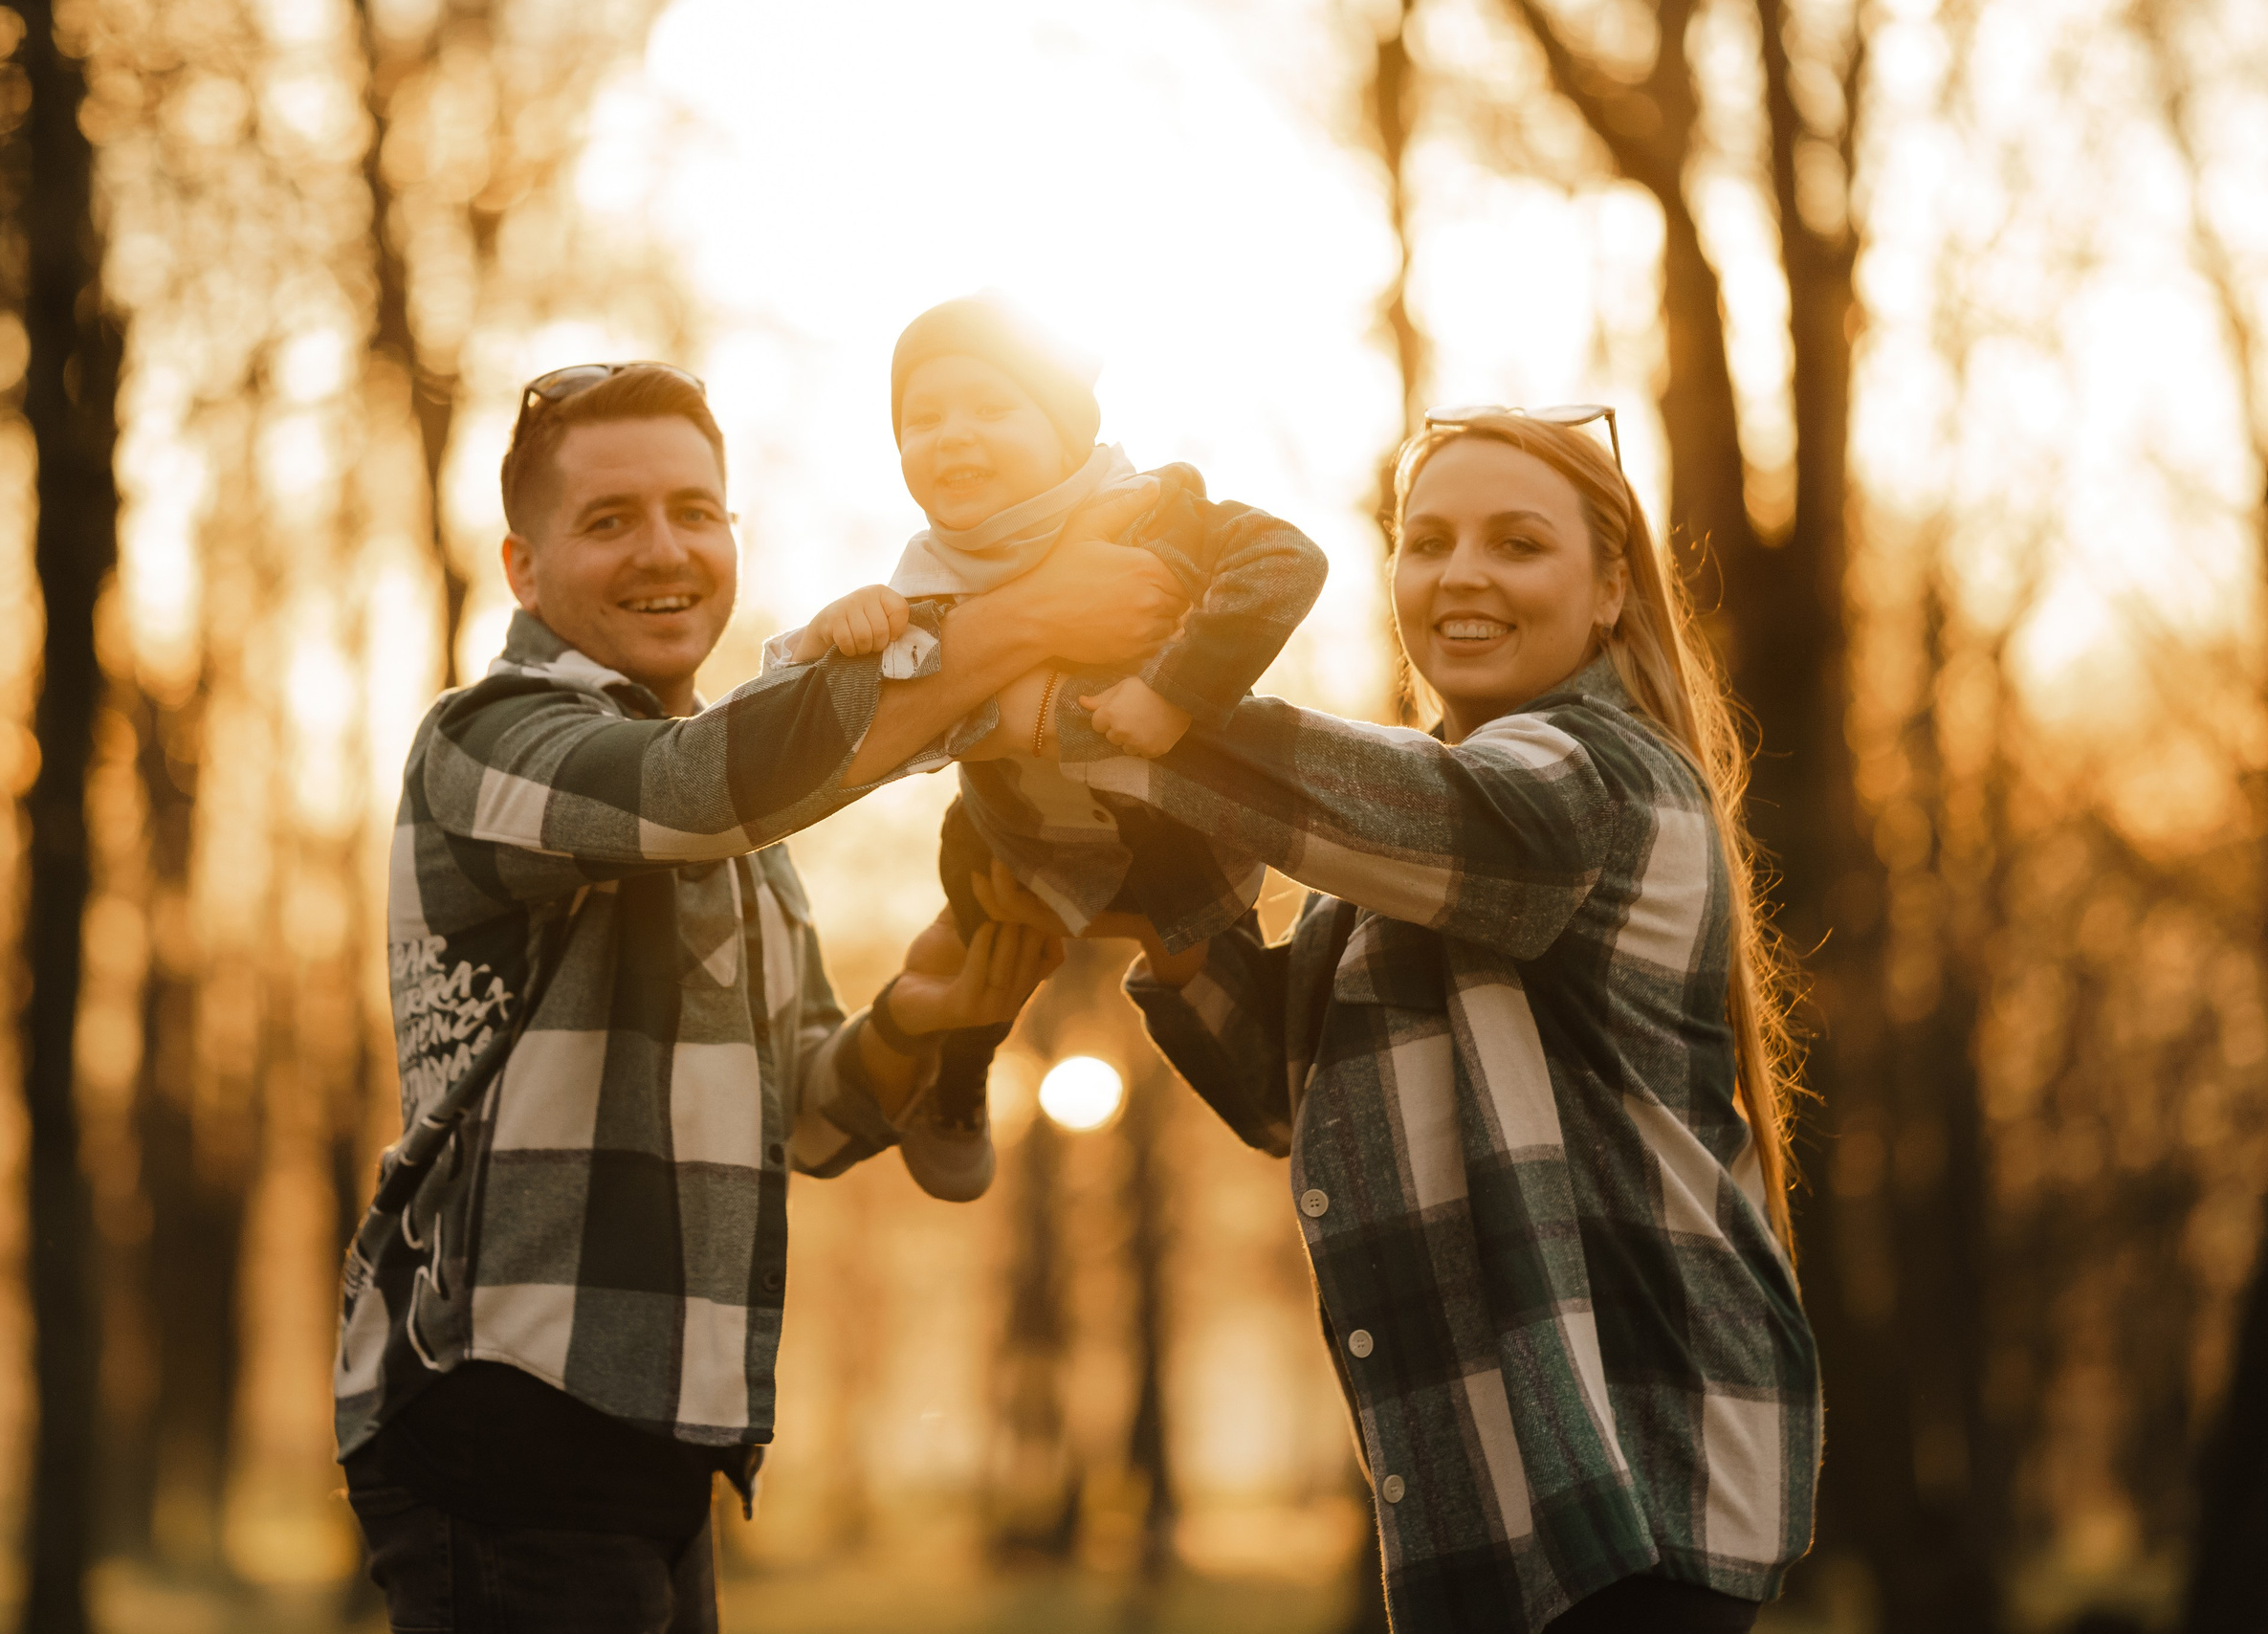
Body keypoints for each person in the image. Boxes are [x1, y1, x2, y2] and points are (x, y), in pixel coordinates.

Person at [332, 361, 1182, 1634]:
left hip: (654, 1437)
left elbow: (804, 1119)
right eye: (609, 520)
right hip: (505, 1411)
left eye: (695, 511)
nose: (663, 549)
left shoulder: (745, 825)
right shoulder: (489, 740)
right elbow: (690, 788)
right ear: (522, 567)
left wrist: (918, 1015)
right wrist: (1010, 622)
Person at [984, 405, 1820, 1631]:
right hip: (1493, 1487)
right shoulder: (1391, 856)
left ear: (1608, 597)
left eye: (1517, 543)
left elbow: (1418, 811)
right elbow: (1286, 1087)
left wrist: (1074, 696)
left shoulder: (1605, 780)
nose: (1460, 573)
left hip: (1640, 1459)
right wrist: (1149, 892)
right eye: (1426, 542)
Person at [766, 292, 1328, 1202]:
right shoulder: (934, 573)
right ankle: (959, 1079)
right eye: (922, 417)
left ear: (1068, 433)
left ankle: (1297, 1101)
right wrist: (843, 623)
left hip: (1170, 848)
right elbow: (867, 688)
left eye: (991, 408)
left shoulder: (1158, 511)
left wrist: (1175, 690)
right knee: (954, 949)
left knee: (1218, 1001)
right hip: (1018, 845)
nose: (952, 434)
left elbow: (1285, 560)